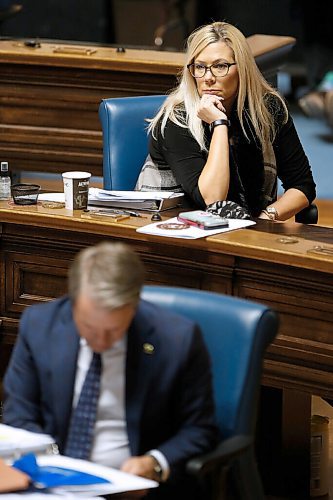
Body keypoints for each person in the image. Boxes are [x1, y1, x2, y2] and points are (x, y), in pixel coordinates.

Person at [3, 242, 218, 499]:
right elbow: (19, 412)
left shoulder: (177, 339)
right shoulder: (40, 325)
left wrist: (155, 463)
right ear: (72, 303)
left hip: (132, 487)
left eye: (114, 331)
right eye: (89, 328)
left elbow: (199, 429)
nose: (101, 341)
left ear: (134, 306)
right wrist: (48, 461)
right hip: (51, 482)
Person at [143, 21, 316, 222]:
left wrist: (266, 218)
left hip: (249, 230)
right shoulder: (176, 120)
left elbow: (302, 185)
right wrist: (219, 125)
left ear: (242, 69)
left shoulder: (268, 110)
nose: (208, 77)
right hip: (182, 232)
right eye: (199, 67)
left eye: (220, 66)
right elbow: (213, 200)